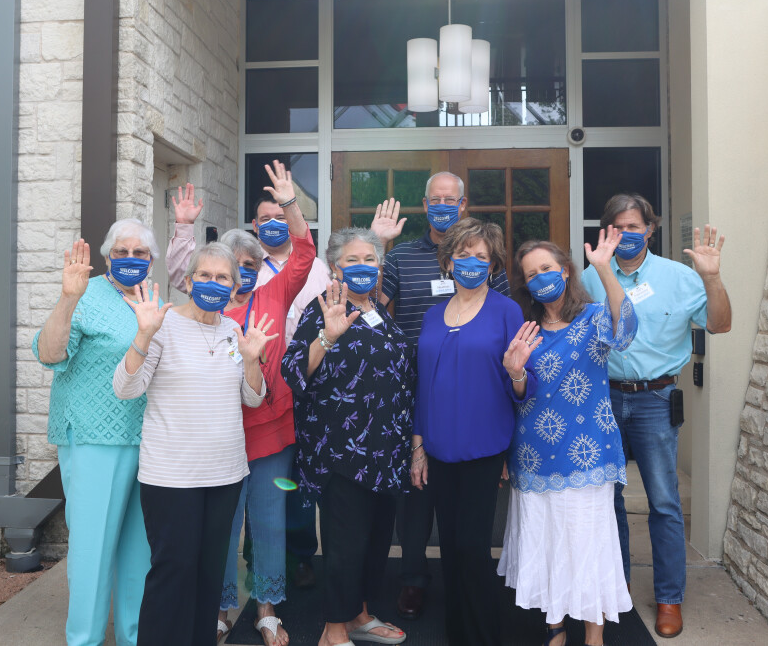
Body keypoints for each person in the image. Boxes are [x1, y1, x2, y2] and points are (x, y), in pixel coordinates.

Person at [164, 161, 313, 646]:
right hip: (221, 433)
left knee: (269, 523)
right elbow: (179, 270)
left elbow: (304, 253)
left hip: (271, 428)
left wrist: (290, 204)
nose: (243, 275)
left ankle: (266, 608)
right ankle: (224, 607)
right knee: (223, 530)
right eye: (236, 268)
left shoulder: (274, 291)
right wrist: (183, 226)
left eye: (250, 267)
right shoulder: (209, 303)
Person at [580, 193, 731, 638]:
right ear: (605, 231)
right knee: (607, 502)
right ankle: (618, 586)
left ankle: (669, 598)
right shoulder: (591, 278)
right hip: (602, 399)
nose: (627, 234)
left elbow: (720, 324)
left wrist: (713, 278)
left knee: (664, 503)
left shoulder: (680, 277)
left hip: (655, 400)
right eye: (618, 227)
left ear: (650, 229)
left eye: (635, 226)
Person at [113, 244, 276, 646]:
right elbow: (125, 388)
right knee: (173, 570)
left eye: (223, 278)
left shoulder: (233, 331)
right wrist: (143, 335)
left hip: (225, 474)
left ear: (235, 287)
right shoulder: (163, 325)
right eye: (204, 275)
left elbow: (253, 397)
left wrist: (253, 360)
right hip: (171, 476)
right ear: (188, 281)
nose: (213, 283)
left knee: (209, 572)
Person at [374, 171, 512, 620]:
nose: (441, 205)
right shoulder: (404, 265)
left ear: (463, 203)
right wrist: (378, 247)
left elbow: (507, 345)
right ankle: (413, 580)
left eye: (449, 199)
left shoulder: (499, 295)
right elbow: (373, 309)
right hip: (418, 399)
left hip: (477, 411)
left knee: (469, 531)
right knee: (419, 505)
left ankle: (477, 612)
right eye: (434, 198)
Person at [499, 232, 636, 646]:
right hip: (534, 455)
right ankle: (555, 629)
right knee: (547, 547)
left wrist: (605, 268)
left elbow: (625, 329)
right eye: (531, 274)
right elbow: (520, 394)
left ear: (564, 270)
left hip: (587, 454)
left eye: (546, 268)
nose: (540, 277)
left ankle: (593, 638)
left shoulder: (593, 316)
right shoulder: (525, 328)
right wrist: (516, 372)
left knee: (586, 547)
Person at [32, 219, 162, 646]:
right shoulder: (85, 296)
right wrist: (68, 298)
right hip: (92, 438)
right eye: (121, 252)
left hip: (148, 442)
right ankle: (84, 639)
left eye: (139, 253)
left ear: (151, 259)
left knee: (138, 554)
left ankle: (134, 636)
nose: (130, 259)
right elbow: (50, 354)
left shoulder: (154, 299)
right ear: (107, 256)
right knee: (91, 551)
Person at [281, 227, 413, 646]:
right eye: (351, 261)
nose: (361, 267)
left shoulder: (380, 312)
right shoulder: (321, 309)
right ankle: (333, 630)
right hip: (340, 451)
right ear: (335, 267)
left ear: (379, 267)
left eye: (369, 260)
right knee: (345, 545)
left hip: (385, 451)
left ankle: (359, 616)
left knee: (375, 542)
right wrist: (327, 337)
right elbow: (294, 369)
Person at [409, 218, 526, 646]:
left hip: (483, 446)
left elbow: (522, 383)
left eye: (482, 256)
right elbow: (423, 382)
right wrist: (418, 448)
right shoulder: (433, 314)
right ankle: (457, 634)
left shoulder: (506, 310)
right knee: (450, 550)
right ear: (448, 260)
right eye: (464, 255)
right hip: (438, 447)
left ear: (493, 264)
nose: (472, 263)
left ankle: (483, 637)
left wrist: (517, 375)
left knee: (474, 551)